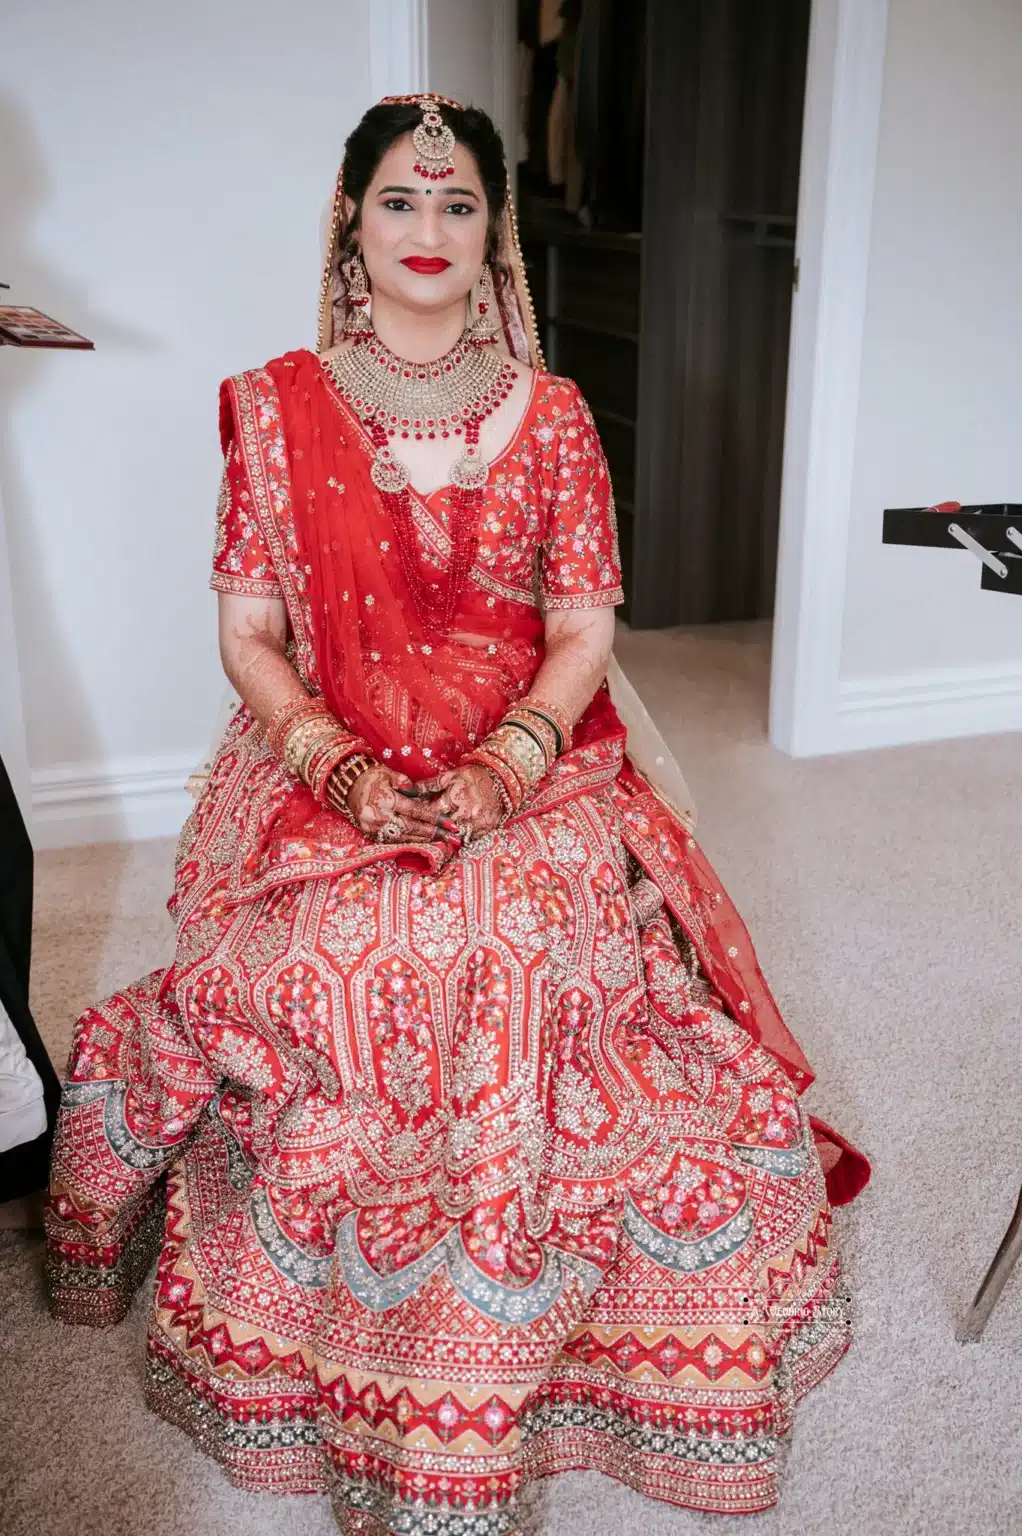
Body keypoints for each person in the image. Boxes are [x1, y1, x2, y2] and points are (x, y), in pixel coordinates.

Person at [45, 95, 868, 1530]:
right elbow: (248, 635)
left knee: (525, 956)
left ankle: (486, 1345)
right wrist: (332, 765)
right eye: (398, 202)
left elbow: (582, 628)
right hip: (327, 750)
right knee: (316, 970)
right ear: (347, 227)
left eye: (459, 205)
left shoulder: (549, 416)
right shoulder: (269, 403)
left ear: (498, 240)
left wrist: (508, 762)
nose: (428, 229)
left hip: (525, 751)